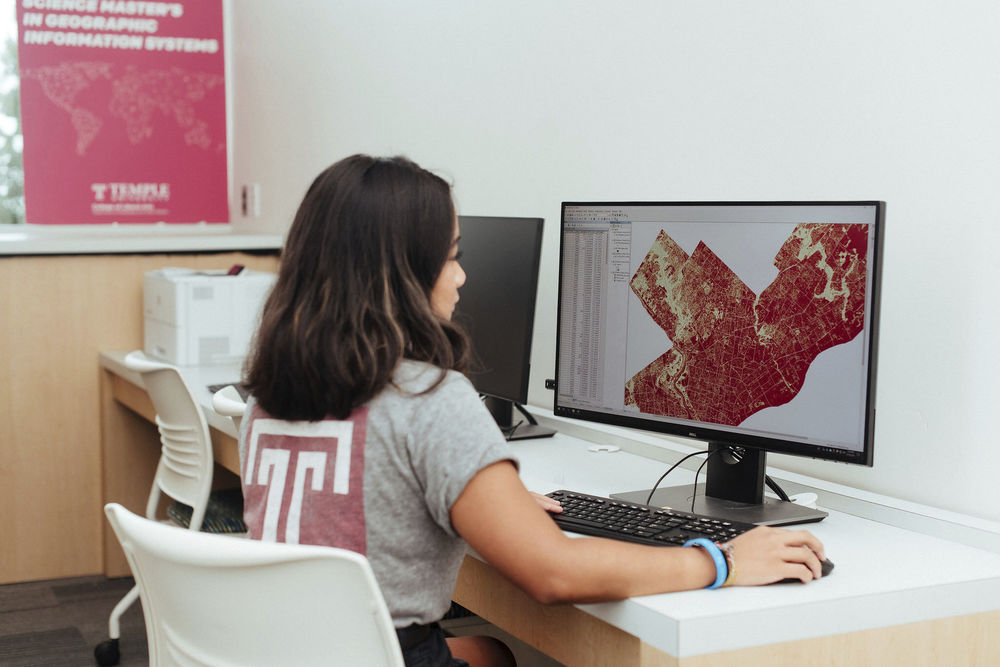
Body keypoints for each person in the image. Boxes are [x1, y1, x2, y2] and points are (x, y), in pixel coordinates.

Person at [240, 154, 828, 667]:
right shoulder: (428, 399)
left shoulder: (268, 395)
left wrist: (487, 500)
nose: (463, 275)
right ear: (402, 276)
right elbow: (553, 575)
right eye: (450, 257)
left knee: (492, 652)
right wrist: (720, 561)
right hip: (381, 655)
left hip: (285, 653)